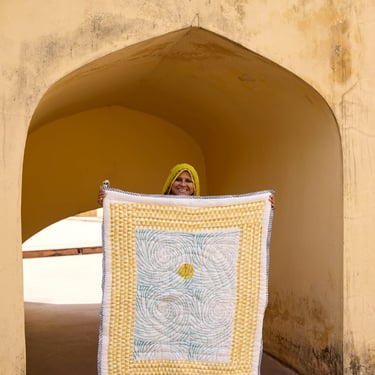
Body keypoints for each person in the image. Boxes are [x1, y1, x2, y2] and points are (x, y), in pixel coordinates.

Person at [97, 162, 274, 208]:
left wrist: (262, 205)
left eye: (188, 180)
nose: (183, 184)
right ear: (170, 182)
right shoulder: (155, 207)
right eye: (178, 179)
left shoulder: (204, 208)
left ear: (195, 186)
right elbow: (130, 213)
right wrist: (109, 202)